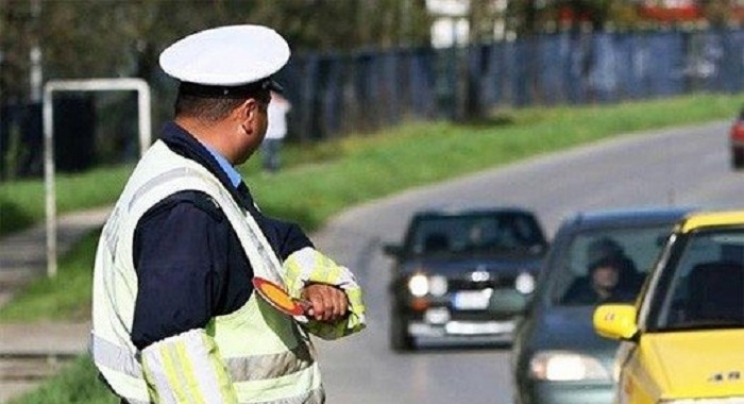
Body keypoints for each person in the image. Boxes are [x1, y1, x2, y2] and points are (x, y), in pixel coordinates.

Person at [90, 24, 366, 404]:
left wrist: (315, 281)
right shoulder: (185, 210)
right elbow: (174, 351)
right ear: (249, 114)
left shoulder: (196, 178)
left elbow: (268, 240)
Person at [563, 253, 638, 305]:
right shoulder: (576, 302)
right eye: (603, 267)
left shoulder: (631, 299)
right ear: (592, 271)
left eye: (614, 268)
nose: (609, 272)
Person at [262, 90, 291, 173]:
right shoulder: (265, 105)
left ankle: (274, 169)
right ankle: (267, 168)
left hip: (278, 133)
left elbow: (288, 107)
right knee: (266, 153)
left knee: (275, 152)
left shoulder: (280, 105)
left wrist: (279, 99)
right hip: (266, 133)